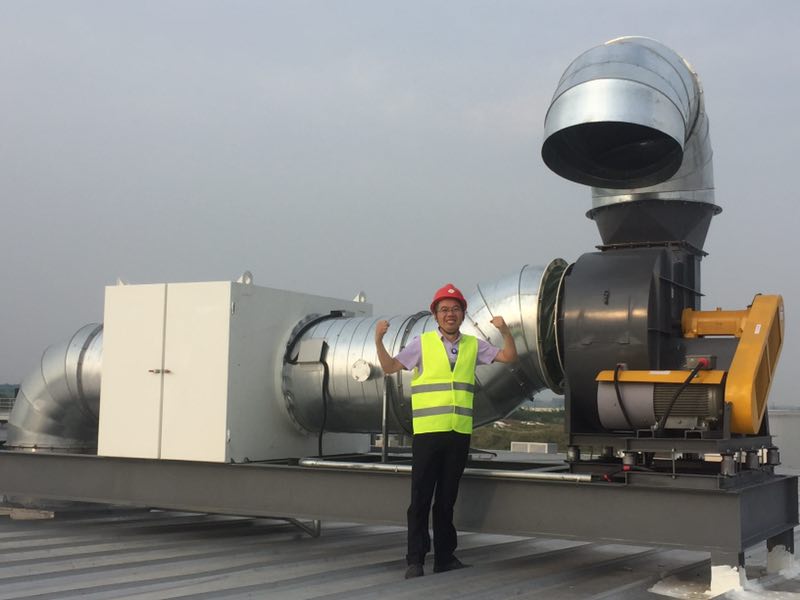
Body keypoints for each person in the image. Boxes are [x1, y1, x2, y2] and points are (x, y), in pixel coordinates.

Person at [374, 283, 518, 579]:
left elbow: (508, 357)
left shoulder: (473, 345)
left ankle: (444, 557)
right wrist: (378, 339)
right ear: (435, 315)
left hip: (458, 433)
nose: (450, 314)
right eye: (444, 310)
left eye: (455, 309)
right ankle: (415, 560)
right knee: (420, 498)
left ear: (463, 314)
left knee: (447, 499)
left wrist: (505, 331)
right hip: (428, 434)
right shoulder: (422, 343)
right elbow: (390, 367)